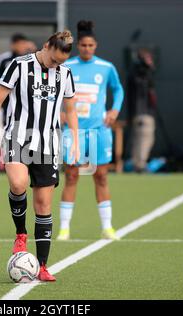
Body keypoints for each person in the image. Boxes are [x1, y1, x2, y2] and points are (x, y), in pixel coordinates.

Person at [0, 30, 79, 282]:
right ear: (46, 46)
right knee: (17, 183)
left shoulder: (66, 74)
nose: (56, 64)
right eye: (53, 59)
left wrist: (76, 141)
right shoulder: (18, 65)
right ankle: (20, 234)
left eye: (61, 61)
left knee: (43, 206)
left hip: (48, 143)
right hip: (17, 136)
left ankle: (43, 265)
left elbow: (70, 109)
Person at [57, 20, 124, 241]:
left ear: (96, 46)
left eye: (90, 45)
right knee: (72, 176)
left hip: (99, 131)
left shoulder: (106, 68)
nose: (87, 49)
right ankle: (64, 229)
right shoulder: (66, 67)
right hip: (73, 132)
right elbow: (55, 92)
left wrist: (114, 110)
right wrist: (60, 112)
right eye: (83, 45)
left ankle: (107, 227)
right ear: (78, 46)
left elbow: (118, 89)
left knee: (102, 176)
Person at [126, 47, 157, 173]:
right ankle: (140, 164)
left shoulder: (134, 72)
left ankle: (136, 163)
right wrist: (148, 68)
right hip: (142, 112)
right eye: (148, 59)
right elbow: (145, 89)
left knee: (138, 138)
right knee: (145, 138)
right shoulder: (140, 73)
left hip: (137, 113)